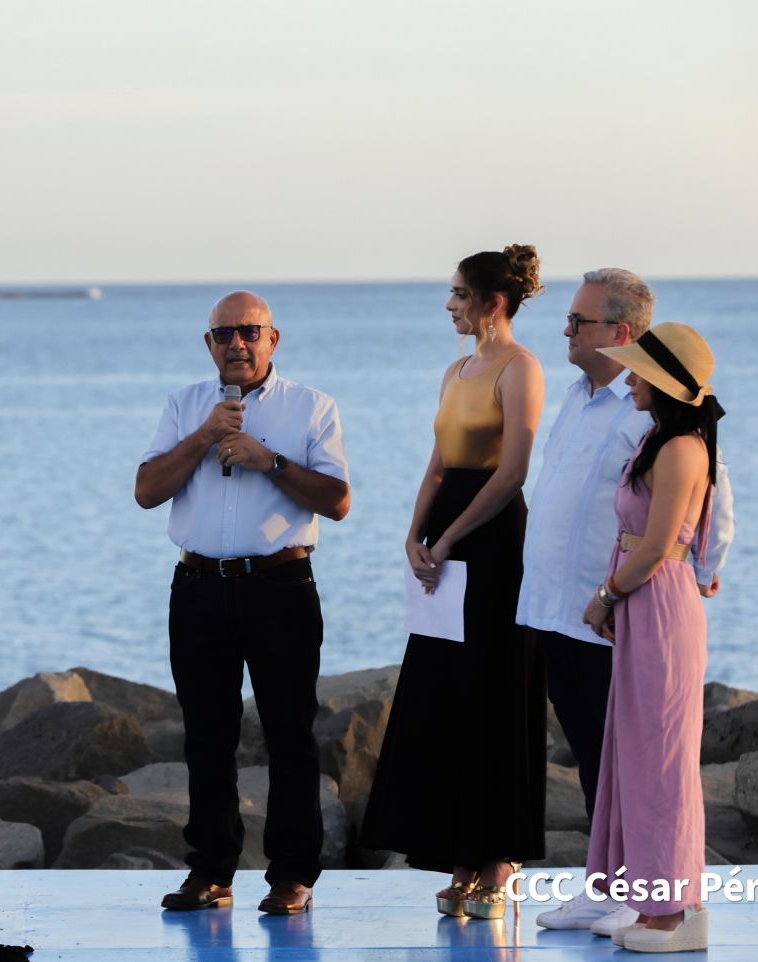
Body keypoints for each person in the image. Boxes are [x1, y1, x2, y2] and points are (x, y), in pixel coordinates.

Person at [519, 269, 734, 933]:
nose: (566, 330)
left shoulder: (655, 423)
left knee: (635, 755)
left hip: (621, 610)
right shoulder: (579, 400)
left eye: (578, 321)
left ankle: (637, 893)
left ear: (620, 332)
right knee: (601, 754)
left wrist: (698, 570)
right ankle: (607, 883)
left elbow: (712, 500)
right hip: (559, 606)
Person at [136, 290, 350, 915]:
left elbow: (337, 501)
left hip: (280, 585)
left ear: (272, 339)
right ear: (208, 344)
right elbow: (147, 491)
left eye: (249, 332)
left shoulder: (311, 407)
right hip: (198, 586)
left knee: (290, 734)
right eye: (224, 334)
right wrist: (205, 436)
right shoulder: (186, 407)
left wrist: (269, 460)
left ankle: (291, 875)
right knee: (206, 736)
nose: (237, 344)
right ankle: (210, 870)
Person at [360, 245, 547, 920]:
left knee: (493, 692)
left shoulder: (520, 368)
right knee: (444, 696)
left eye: (459, 293)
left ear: (492, 302)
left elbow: (511, 474)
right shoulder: (457, 368)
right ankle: (460, 857)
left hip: (492, 545)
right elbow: (437, 465)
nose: (450, 304)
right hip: (445, 542)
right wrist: (412, 534)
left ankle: (499, 862)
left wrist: (448, 538)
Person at [579, 323, 723, 953]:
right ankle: (659, 901)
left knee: (661, 761)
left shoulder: (680, 449)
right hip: (647, 601)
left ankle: (672, 911)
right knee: (640, 755)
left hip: (657, 601)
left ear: (663, 383)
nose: (630, 379)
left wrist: (606, 595)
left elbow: (662, 544)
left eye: (638, 372)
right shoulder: (661, 442)